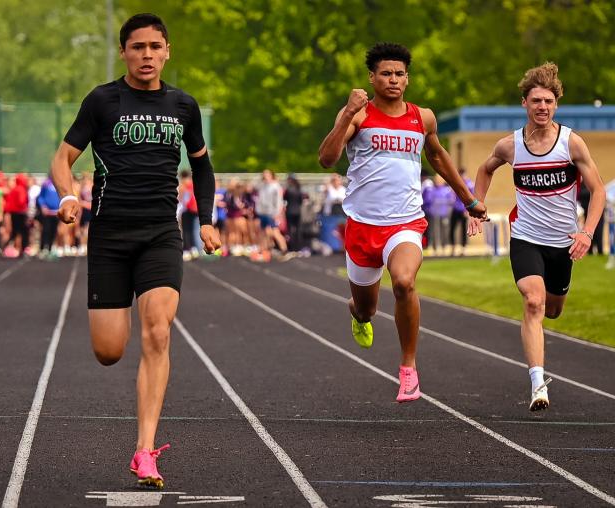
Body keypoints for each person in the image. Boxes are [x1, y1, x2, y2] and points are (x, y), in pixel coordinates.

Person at [50, 13, 219, 489]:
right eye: (138, 46)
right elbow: (63, 157)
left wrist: (206, 220)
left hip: (161, 234)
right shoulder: (102, 100)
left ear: (167, 52)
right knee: (108, 351)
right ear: (124, 51)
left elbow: (202, 168)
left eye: (155, 47)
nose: (147, 55)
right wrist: (67, 196)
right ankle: (142, 438)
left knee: (158, 332)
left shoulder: (184, 106)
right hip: (109, 236)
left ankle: (145, 450)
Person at [318, 42, 487, 403]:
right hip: (362, 226)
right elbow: (327, 159)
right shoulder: (358, 116)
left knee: (405, 282)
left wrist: (469, 201)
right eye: (385, 74)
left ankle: (408, 368)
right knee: (367, 307)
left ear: (407, 79)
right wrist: (347, 114)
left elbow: (439, 157)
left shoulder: (422, 117)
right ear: (372, 77)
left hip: (405, 223)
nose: (393, 80)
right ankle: (357, 312)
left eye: (399, 74)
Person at [469, 62, 604, 411]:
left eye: (548, 101)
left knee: (553, 310)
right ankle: (537, 384)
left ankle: (557, 295)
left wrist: (586, 233)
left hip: (564, 243)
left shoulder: (571, 143)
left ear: (555, 104)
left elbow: (598, 191)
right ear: (524, 104)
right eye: (536, 101)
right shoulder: (510, 146)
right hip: (527, 238)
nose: (542, 107)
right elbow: (484, 170)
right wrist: (477, 204)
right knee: (533, 302)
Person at [254, 169, 287, 260]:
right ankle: (263, 250)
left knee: (274, 231)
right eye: (264, 174)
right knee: (262, 232)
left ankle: (284, 249)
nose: (265, 176)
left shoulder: (276, 186)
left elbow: (278, 201)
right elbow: (255, 188)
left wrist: (277, 213)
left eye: (267, 174)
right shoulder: (263, 186)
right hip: (263, 212)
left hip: (271, 213)